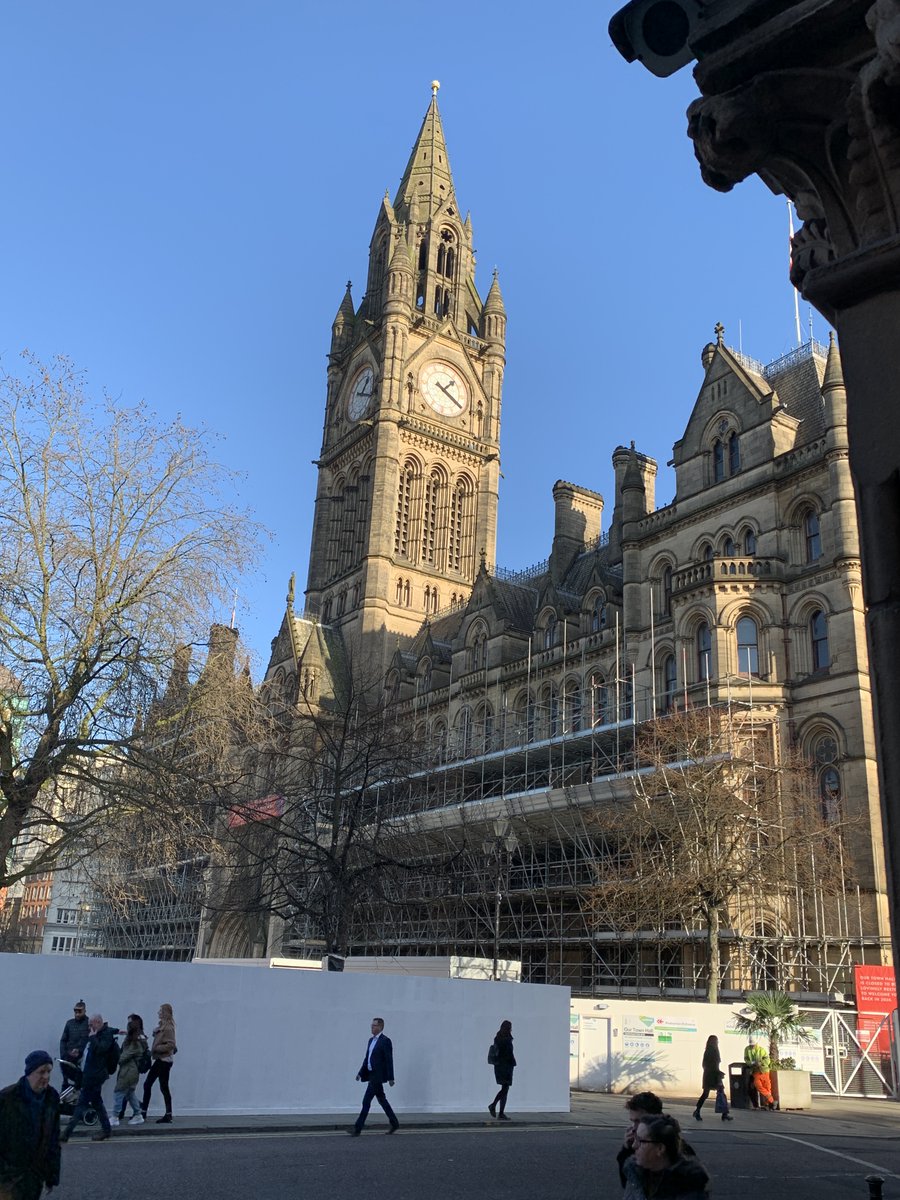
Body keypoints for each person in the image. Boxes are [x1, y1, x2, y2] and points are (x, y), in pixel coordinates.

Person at [0, 1050, 61, 1200]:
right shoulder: (7, 1098)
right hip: (9, 1179)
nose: (46, 1077)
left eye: (49, 1072)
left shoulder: (52, 1097)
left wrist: (51, 1176)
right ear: (29, 1073)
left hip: (34, 1177)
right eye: (41, 1072)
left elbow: (53, 1140)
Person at [617, 1092, 697, 1186]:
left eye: (639, 1121)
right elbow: (629, 1184)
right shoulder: (637, 1146)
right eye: (632, 1121)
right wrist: (627, 1150)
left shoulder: (680, 1150)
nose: (634, 1128)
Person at [622, 1115, 710, 1199]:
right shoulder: (636, 1175)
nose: (634, 1145)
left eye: (640, 1141)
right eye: (635, 1139)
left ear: (660, 1148)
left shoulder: (689, 1190)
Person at [60, 1014, 116, 1143]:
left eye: (91, 1025)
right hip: (88, 1075)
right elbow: (86, 1050)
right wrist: (78, 1052)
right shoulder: (93, 1035)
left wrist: (93, 1037)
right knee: (97, 1104)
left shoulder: (106, 1035)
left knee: (81, 1104)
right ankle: (106, 1130)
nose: (89, 1027)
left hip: (96, 1076)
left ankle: (66, 1133)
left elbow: (101, 1049)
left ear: (98, 1022)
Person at [349, 1017, 398, 1136]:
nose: (372, 1027)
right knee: (382, 1100)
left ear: (380, 1027)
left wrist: (391, 1077)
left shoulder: (385, 1041)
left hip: (377, 1076)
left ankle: (357, 1129)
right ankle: (394, 1123)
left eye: (374, 1025)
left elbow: (389, 1059)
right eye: (372, 1025)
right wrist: (360, 1073)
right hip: (371, 1075)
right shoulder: (371, 1040)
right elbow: (367, 1058)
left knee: (366, 1101)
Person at [141, 1004, 176, 1124]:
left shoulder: (168, 1028)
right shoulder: (162, 1026)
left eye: (160, 1011)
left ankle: (143, 1112)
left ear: (165, 1012)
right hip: (163, 1060)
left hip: (163, 1060)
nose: (158, 1012)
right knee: (163, 1086)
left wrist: (157, 1048)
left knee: (148, 1084)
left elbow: (171, 1044)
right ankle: (168, 1114)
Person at [111, 1015, 148, 1127]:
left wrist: (117, 1056)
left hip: (128, 1071)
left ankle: (115, 1116)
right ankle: (138, 1114)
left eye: (129, 1023)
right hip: (132, 1071)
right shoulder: (138, 1039)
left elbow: (123, 1057)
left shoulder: (134, 1042)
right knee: (130, 1093)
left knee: (119, 1091)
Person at [693, 1035, 731, 1122]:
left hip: (708, 1075)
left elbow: (704, 1065)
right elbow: (714, 1065)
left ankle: (698, 1110)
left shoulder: (707, 1050)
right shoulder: (713, 1050)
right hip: (714, 1075)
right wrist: (718, 1073)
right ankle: (724, 1114)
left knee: (706, 1094)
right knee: (721, 1093)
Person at [58, 1000, 89, 1094]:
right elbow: (63, 1040)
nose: (77, 1014)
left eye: (80, 1011)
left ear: (84, 1011)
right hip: (68, 1057)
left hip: (82, 1059)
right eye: (76, 1011)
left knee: (80, 1083)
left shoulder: (89, 1023)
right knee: (66, 1081)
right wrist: (64, 1054)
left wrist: (79, 1051)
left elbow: (89, 1040)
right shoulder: (69, 1023)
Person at [487, 1019, 516, 1121]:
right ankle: (493, 1105)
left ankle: (501, 1113)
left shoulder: (498, 1037)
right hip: (505, 1067)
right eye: (510, 1028)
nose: (511, 1029)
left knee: (505, 1089)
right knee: (505, 1089)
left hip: (500, 1066)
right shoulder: (506, 1039)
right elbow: (508, 1054)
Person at [744, 1037, 775, 1110]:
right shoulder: (747, 1049)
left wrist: (761, 1063)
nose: (752, 1046)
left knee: (767, 1087)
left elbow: (767, 1060)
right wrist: (752, 1063)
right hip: (756, 1071)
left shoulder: (761, 1050)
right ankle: (771, 1100)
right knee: (758, 1085)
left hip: (764, 1070)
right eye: (751, 1044)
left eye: (753, 1044)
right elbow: (746, 1059)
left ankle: (768, 1104)